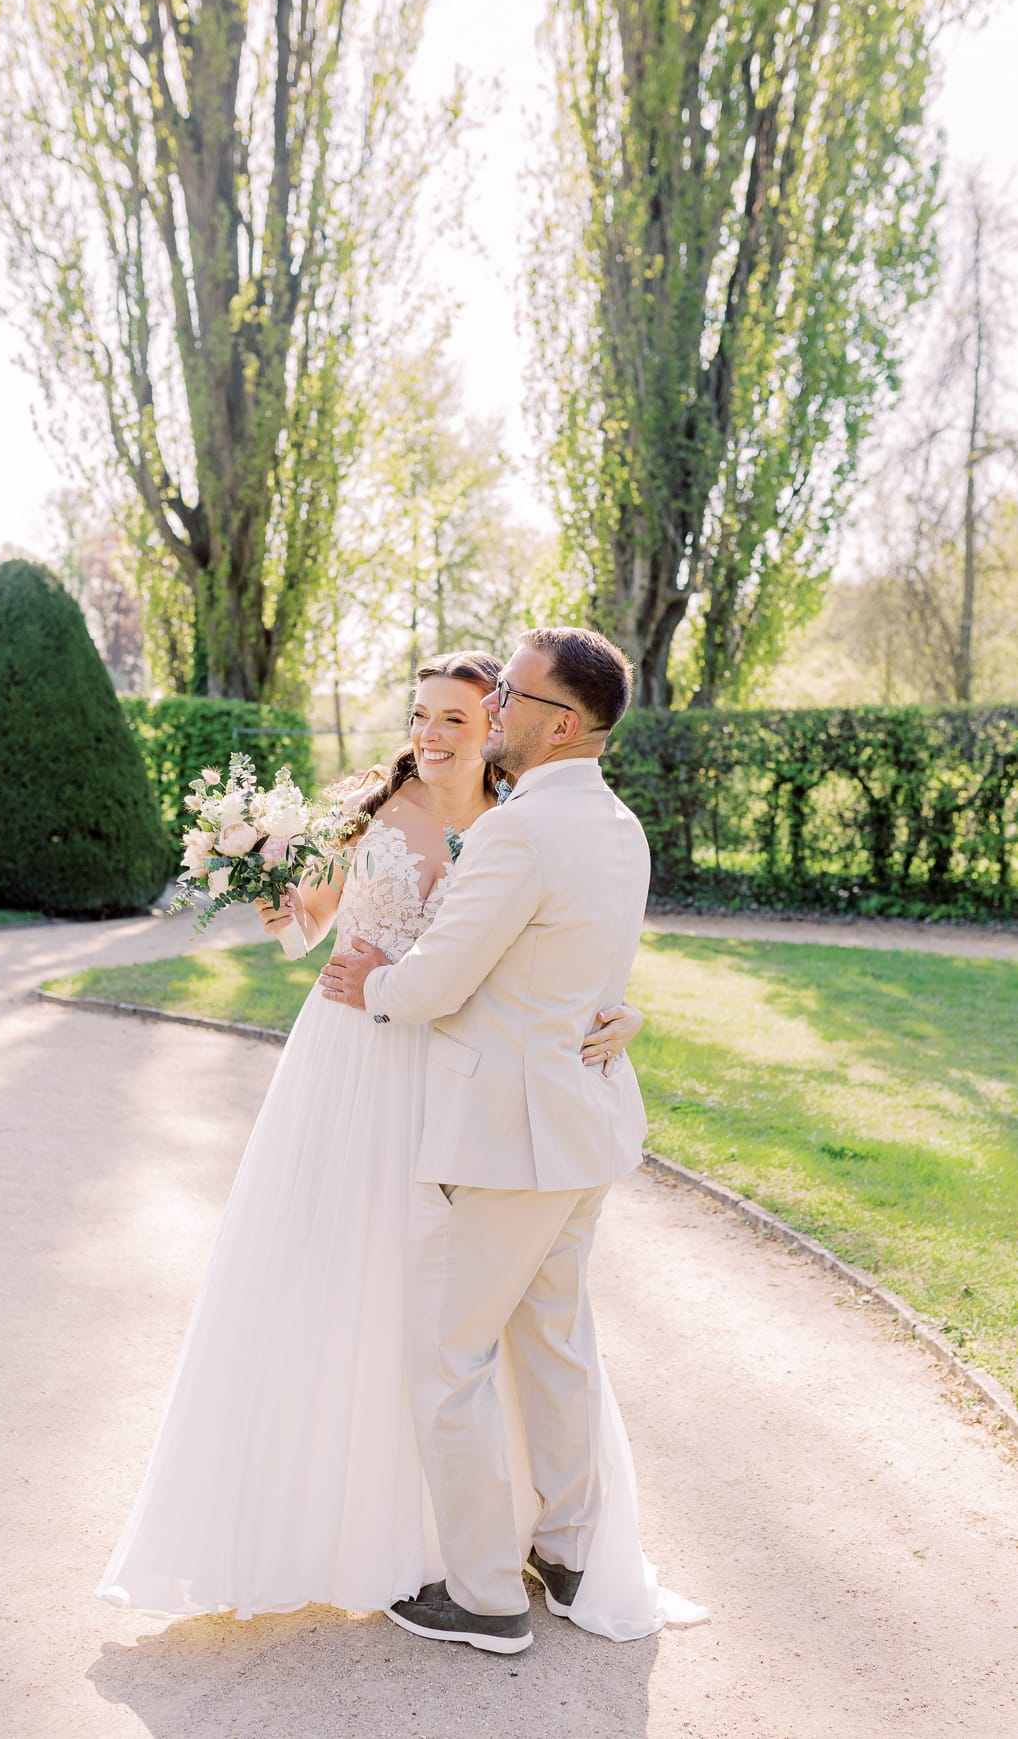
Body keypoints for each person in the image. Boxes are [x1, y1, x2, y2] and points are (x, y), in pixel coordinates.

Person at [94, 650, 653, 1630]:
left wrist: (616, 1013)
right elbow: (314, 929)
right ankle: (527, 1548)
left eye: (468, 713)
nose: (436, 733)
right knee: (390, 1289)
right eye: (423, 713)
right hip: (370, 1073)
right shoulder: (570, 819)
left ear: (508, 725)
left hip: (460, 1090)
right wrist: (278, 893)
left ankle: (478, 1577)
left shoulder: (516, 826)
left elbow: (512, 965)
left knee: (456, 1339)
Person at [320, 627, 707, 1655]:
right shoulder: (620, 826)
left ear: (561, 722)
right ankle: (573, 1554)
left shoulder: (520, 831)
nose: (493, 709)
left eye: (510, 697)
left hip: (502, 1144)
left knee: (447, 1361)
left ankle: (487, 1593)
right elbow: (577, 973)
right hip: (581, 1134)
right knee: (556, 1345)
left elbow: (437, 981)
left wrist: (375, 988)